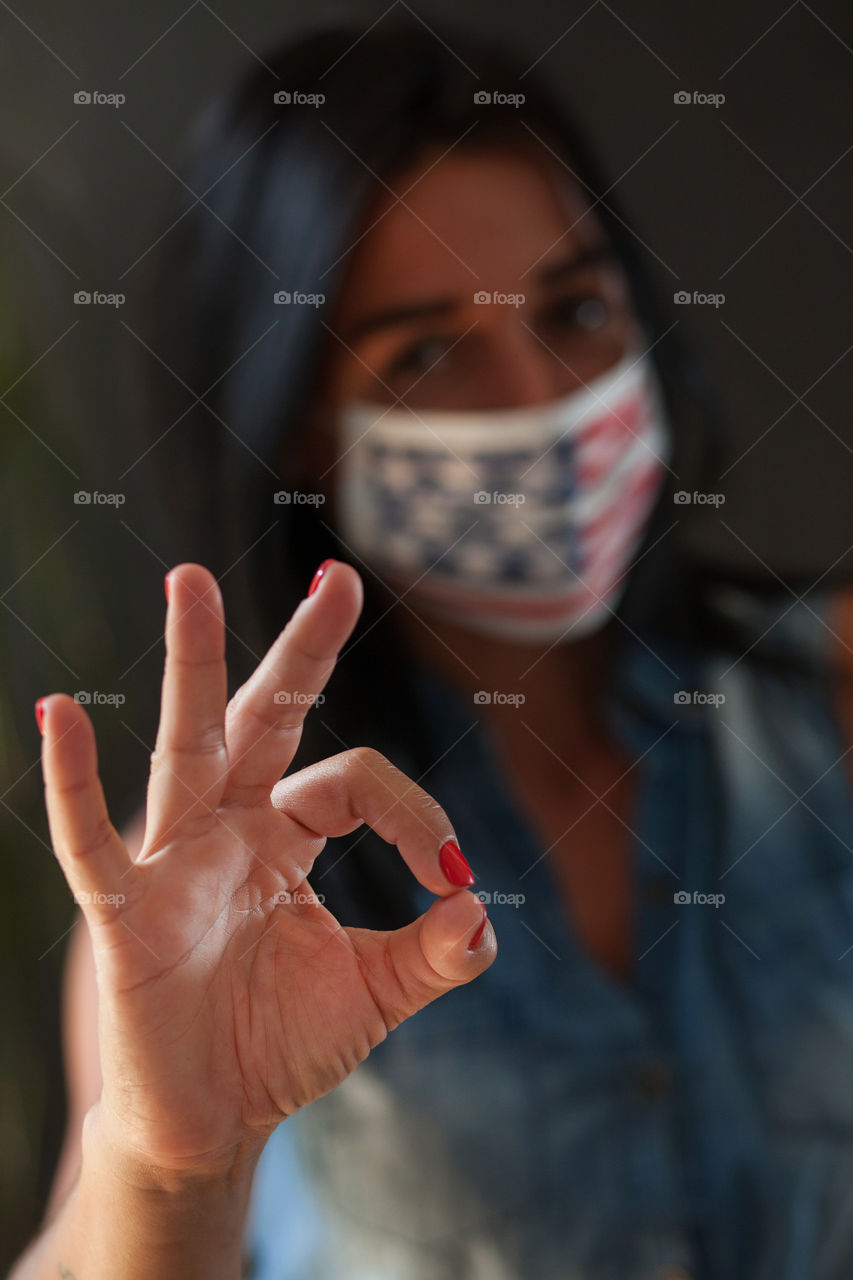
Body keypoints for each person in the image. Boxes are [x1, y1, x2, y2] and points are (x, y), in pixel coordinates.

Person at [12, 16, 853, 1280]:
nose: (541, 403)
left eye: (571, 308)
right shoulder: (188, 902)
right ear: (299, 420)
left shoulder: (831, 695)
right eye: (432, 352)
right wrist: (172, 1164)